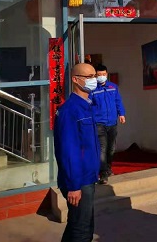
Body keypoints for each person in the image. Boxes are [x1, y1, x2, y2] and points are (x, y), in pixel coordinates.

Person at [54, 63, 101, 242]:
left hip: (88, 176)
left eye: (94, 76)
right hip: (79, 181)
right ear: (75, 79)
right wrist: (74, 186)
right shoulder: (70, 110)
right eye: (89, 77)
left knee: (77, 224)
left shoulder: (87, 105)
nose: (94, 80)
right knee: (82, 230)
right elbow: (69, 151)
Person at [91, 64, 126, 185]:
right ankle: (103, 174)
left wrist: (121, 114)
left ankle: (108, 167)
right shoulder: (92, 89)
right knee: (102, 148)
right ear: (95, 76)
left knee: (111, 148)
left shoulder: (113, 87)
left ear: (106, 74)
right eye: (99, 75)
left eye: (103, 74)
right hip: (99, 123)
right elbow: (88, 105)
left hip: (112, 122)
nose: (101, 76)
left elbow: (118, 101)